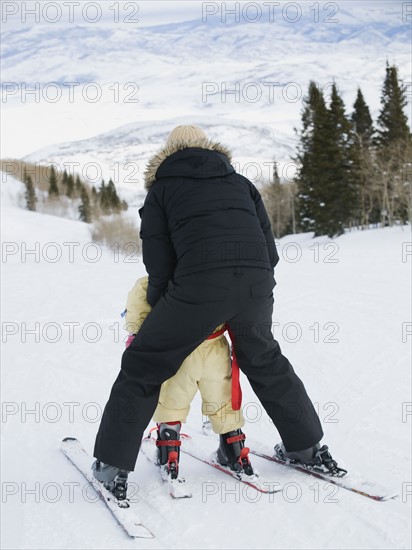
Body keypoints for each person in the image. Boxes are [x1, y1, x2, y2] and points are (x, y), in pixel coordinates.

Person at [92, 125, 339, 500]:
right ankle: (306, 449)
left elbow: (158, 264)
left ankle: (111, 466)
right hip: (256, 284)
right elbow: (269, 251)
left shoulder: (162, 189)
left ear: (168, 153)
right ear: (209, 148)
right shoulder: (241, 184)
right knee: (265, 358)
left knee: (144, 365)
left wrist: (163, 310)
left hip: (198, 287)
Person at [124, 275, 253, 479]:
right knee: (222, 401)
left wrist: (138, 334)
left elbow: (139, 304)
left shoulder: (158, 278)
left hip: (180, 348)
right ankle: (234, 451)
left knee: (172, 400)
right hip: (215, 348)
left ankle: (169, 454)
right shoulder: (217, 274)